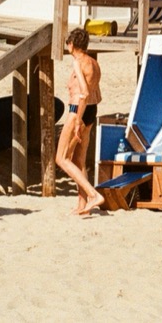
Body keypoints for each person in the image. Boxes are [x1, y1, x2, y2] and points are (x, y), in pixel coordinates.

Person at [56, 28, 104, 216]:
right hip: (91, 110)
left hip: (78, 110)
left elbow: (83, 93)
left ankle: (93, 195)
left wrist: (76, 120)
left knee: (61, 158)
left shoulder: (78, 62)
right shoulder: (94, 63)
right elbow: (96, 94)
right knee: (79, 160)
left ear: (71, 45)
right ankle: (82, 205)